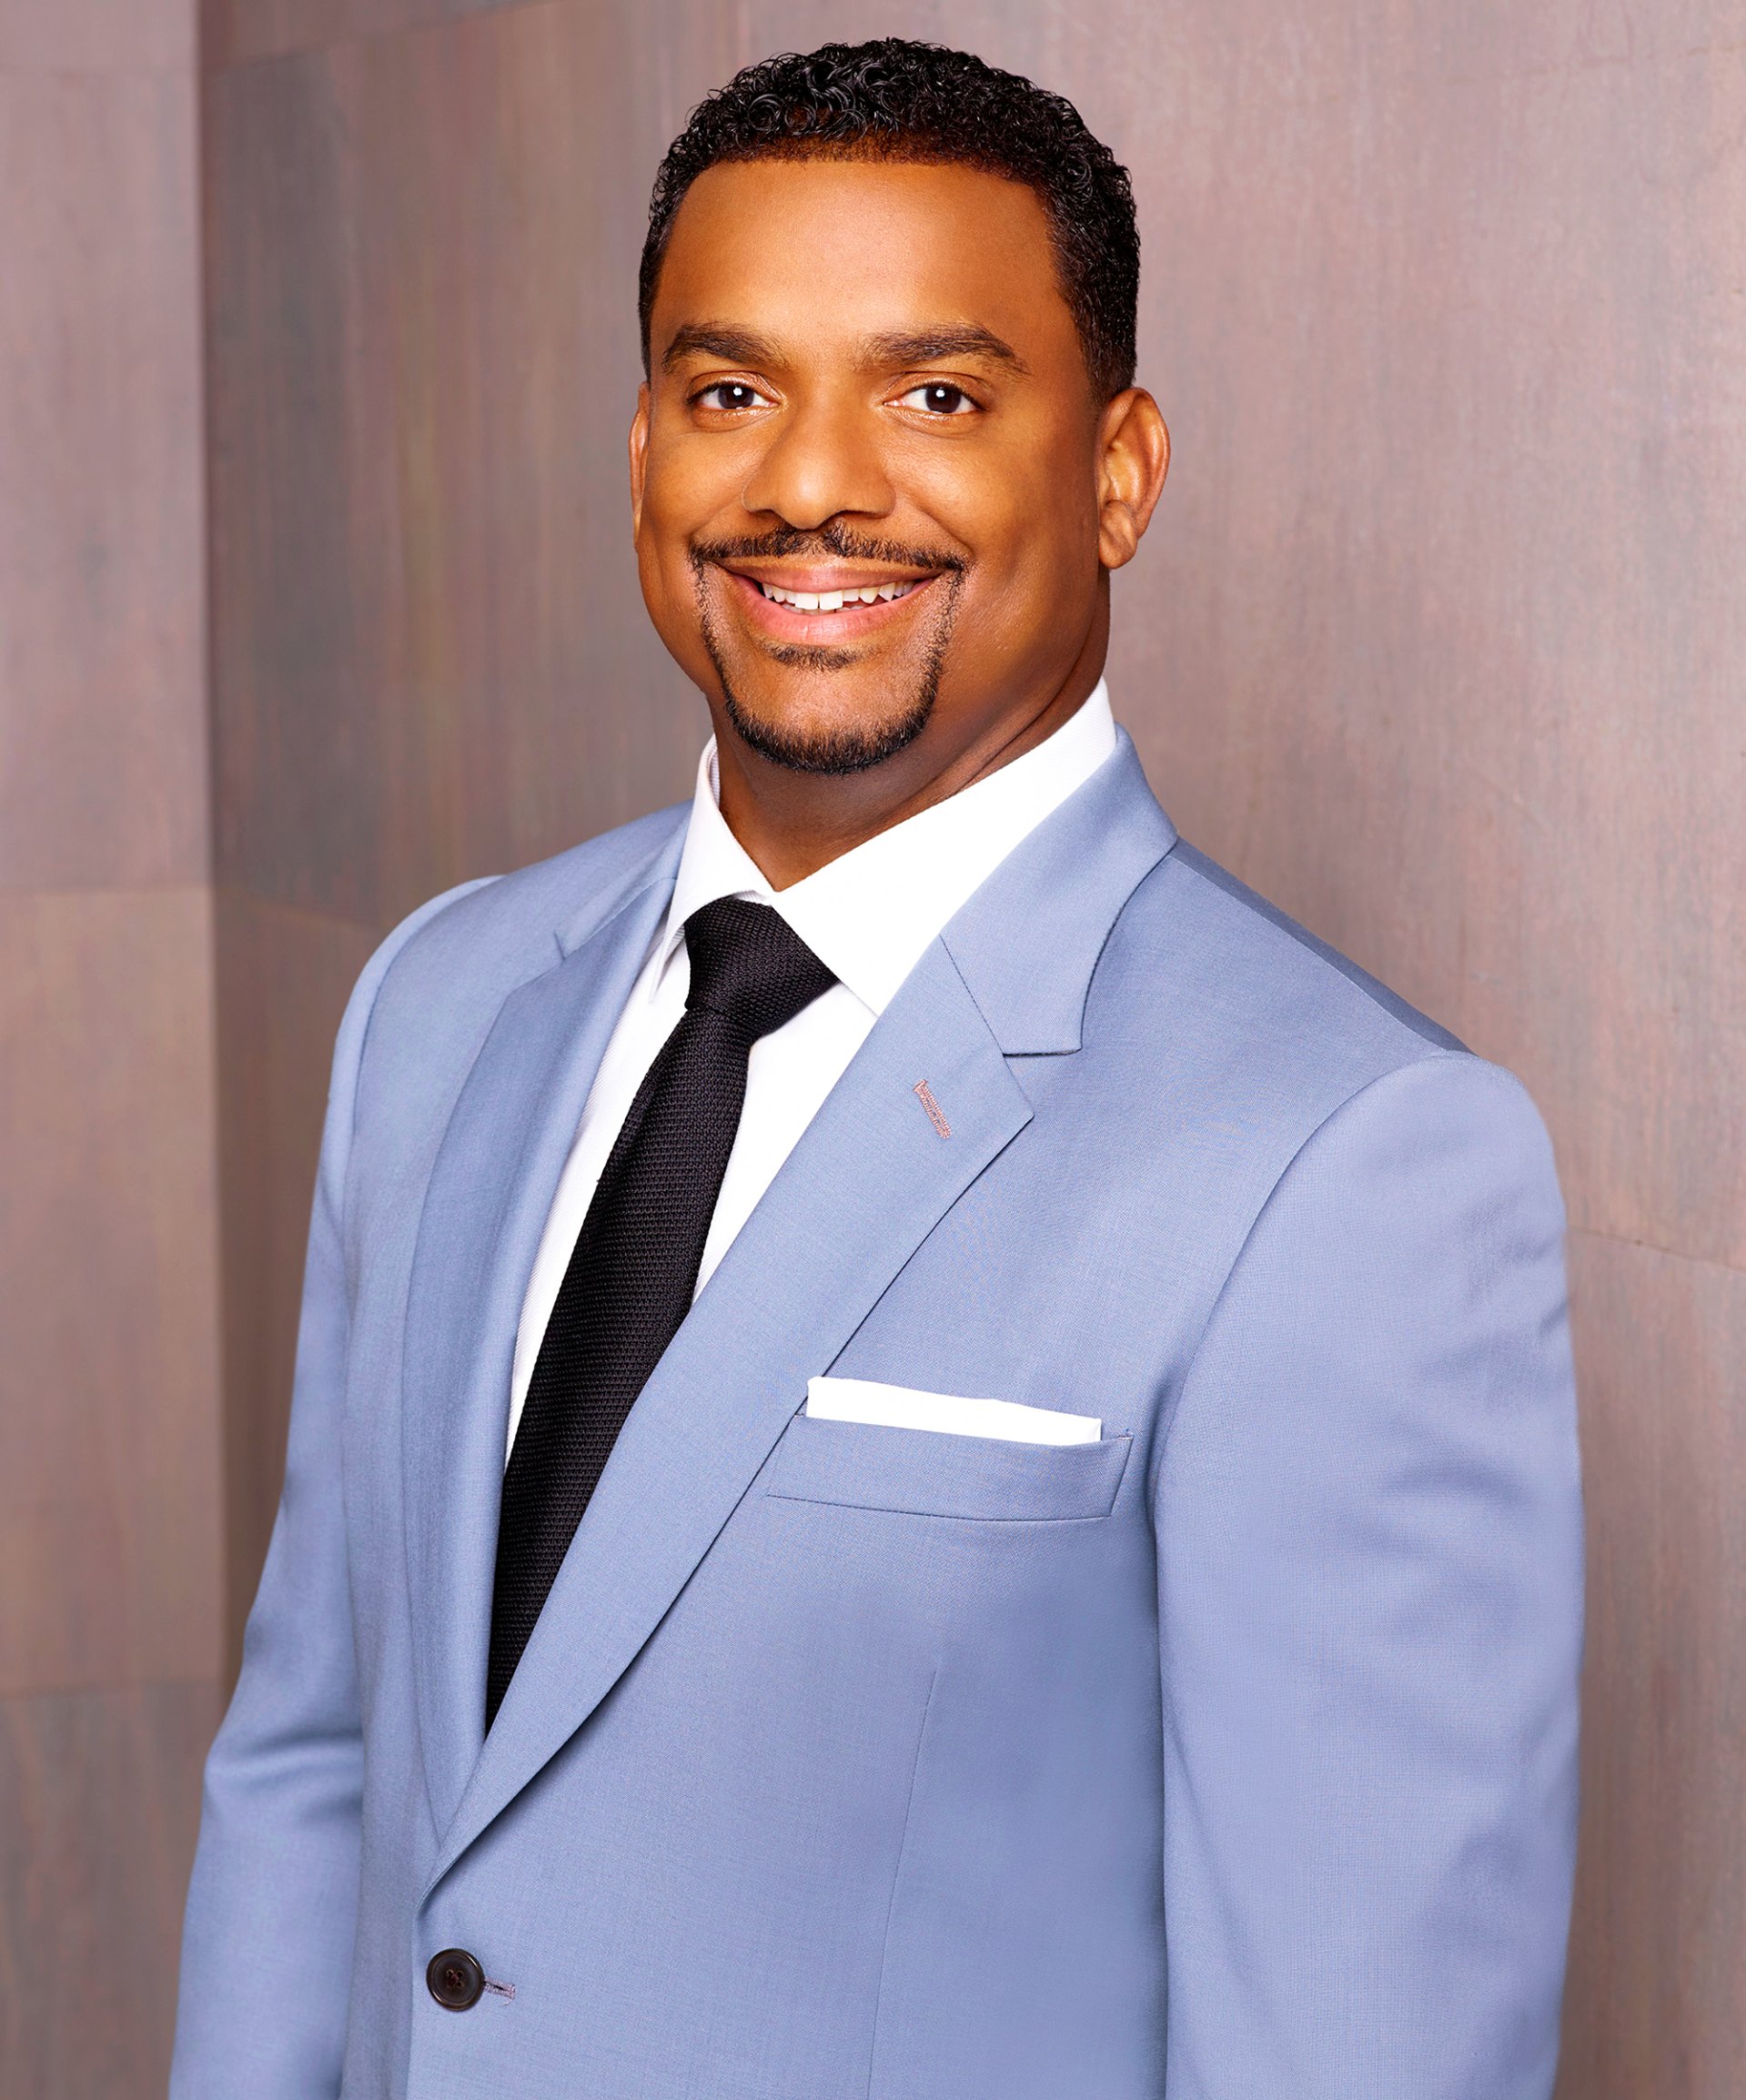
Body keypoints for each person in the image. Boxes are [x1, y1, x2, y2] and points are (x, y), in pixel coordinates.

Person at [171, 39, 1582, 2100]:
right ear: (642, 450)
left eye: (935, 396)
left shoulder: (1351, 1161)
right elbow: (319, 1764)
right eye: (730, 392)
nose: (810, 483)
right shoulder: (440, 1003)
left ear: (1119, 472)